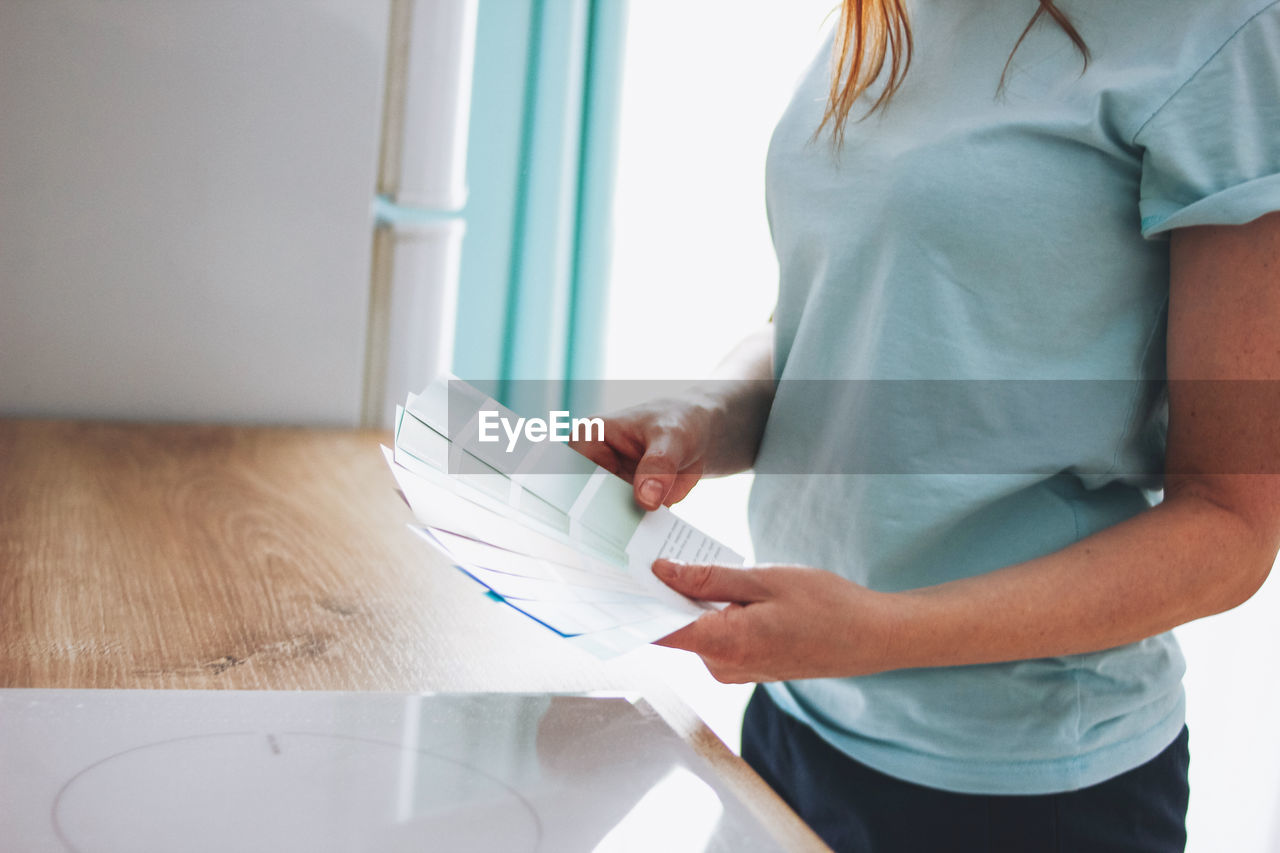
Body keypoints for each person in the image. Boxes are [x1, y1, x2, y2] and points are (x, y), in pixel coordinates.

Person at [575, 1, 1280, 850]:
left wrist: (878, 633)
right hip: (794, 717)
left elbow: (1230, 526)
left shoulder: (1224, 35)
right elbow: (847, 317)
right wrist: (708, 409)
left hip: (1028, 793)